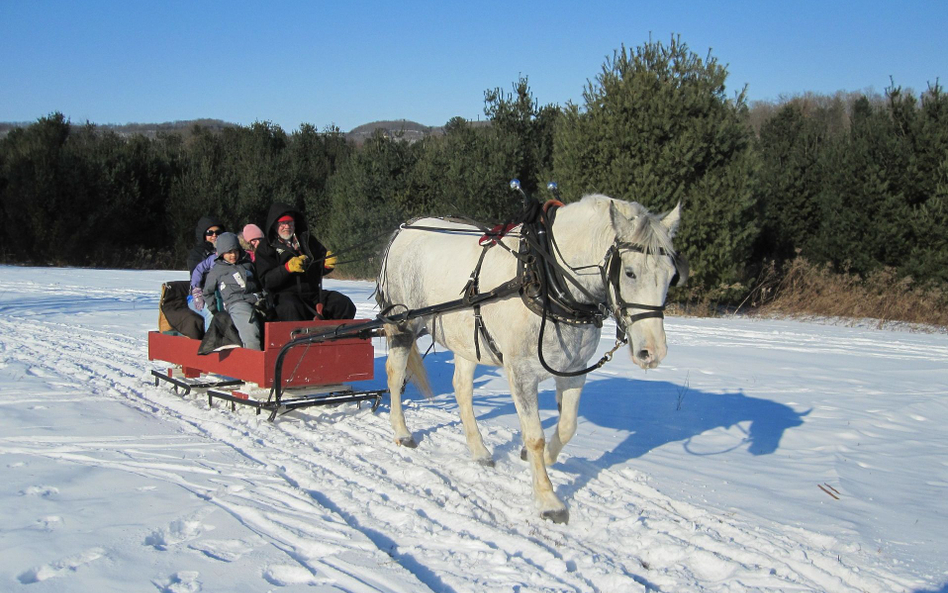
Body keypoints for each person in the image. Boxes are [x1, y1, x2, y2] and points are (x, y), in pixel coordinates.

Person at [254, 203, 356, 322]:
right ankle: (300, 339)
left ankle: (337, 337)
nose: (287, 226)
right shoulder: (265, 247)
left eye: (290, 222)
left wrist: (326, 265)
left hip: (312, 293)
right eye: (283, 223)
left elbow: (319, 265)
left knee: (343, 303)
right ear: (274, 224)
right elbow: (266, 280)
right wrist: (287, 268)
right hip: (283, 296)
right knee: (291, 308)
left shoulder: (307, 240)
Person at [202, 232, 265, 350]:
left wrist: (264, 295)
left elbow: (259, 282)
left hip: (256, 298)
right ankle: (253, 359)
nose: (233, 255)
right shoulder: (217, 270)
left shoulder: (247, 264)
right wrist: (214, 309)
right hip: (236, 303)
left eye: (236, 251)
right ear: (221, 253)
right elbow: (207, 292)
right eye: (229, 252)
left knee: (276, 321)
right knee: (250, 327)